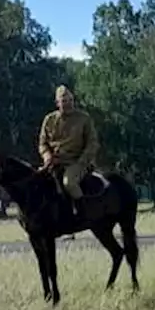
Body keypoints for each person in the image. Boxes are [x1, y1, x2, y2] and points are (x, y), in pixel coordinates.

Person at [38, 85, 99, 219]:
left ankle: (82, 213)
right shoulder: (49, 119)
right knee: (35, 181)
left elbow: (92, 143)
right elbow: (42, 143)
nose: (68, 104)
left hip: (76, 161)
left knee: (68, 182)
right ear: (57, 103)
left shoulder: (84, 118)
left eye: (70, 100)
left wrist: (83, 160)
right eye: (64, 101)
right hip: (54, 162)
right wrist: (47, 156)